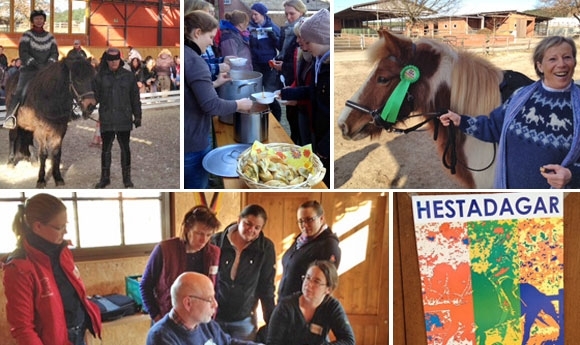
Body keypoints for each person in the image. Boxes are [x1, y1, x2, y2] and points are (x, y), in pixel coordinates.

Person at [439, 35, 580, 188]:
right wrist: (461, 121)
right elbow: (494, 127)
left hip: (558, 203)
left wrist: (571, 175)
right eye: (553, 59)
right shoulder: (520, 96)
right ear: (540, 66)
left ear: (574, 62)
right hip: (513, 199)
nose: (562, 64)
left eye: (567, 57)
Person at [1, 193, 102, 345]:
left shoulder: (62, 249)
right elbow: (23, 328)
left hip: (78, 333)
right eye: (60, 227)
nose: (65, 232)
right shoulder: (19, 267)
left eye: (66, 225)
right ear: (38, 226)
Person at [184, 10, 252, 189]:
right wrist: (239, 104)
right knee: (198, 185)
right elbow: (212, 106)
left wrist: (214, 83)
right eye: (211, 36)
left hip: (188, 137)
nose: (212, 42)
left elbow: (190, 94)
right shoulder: (195, 61)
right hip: (193, 141)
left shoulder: (186, 55)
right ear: (197, 33)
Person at [140, 205, 221, 323]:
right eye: (199, 233)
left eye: (208, 235)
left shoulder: (214, 253)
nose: (203, 240)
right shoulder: (165, 249)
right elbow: (145, 285)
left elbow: (215, 288)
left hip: (200, 322)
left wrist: (212, 316)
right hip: (167, 319)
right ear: (187, 228)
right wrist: (157, 317)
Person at [280, 9, 331, 187]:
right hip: (317, 130)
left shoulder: (329, 66)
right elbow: (313, 91)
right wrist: (288, 93)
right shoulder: (319, 60)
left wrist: (326, 144)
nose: (305, 46)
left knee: (325, 178)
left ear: (322, 39)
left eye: (308, 42)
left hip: (326, 138)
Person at [210, 204, 276, 341]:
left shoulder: (266, 248)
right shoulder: (216, 241)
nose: (251, 230)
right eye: (248, 224)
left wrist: (272, 322)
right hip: (214, 316)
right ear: (239, 220)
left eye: (257, 228)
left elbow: (267, 288)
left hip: (244, 320)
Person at [146, 272, 264, 345]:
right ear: (188, 303)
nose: (215, 304)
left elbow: (227, 343)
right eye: (209, 299)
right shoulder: (161, 337)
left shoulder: (206, 324)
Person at [267, 260, 355, 345]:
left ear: (328, 289)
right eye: (307, 278)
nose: (308, 284)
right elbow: (273, 343)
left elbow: (348, 340)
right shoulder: (285, 307)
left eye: (316, 281)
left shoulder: (332, 306)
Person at [93, 47, 142, 188]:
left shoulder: (128, 76)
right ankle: (105, 177)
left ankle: (127, 178)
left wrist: (138, 116)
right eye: (110, 60)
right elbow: (95, 96)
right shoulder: (100, 77)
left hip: (124, 118)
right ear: (107, 61)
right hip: (107, 118)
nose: (113, 62)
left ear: (119, 59)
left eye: (116, 60)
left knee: (125, 148)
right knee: (106, 149)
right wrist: (88, 107)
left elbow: (135, 98)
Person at [3, 9, 59, 130]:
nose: (39, 21)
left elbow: (55, 53)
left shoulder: (50, 37)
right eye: (36, 19)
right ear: (32, 21)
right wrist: (34, 63)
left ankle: (66, 113)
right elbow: (23, 52)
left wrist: (49, 64)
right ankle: (10, 115)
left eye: (41, 19)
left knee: (59, 87)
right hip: (29, 69)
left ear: (44, 21)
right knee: (21, 91)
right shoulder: (27, 35)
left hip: (46, 69)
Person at [278, 200, 341, 299]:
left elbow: (325, 284)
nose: (305, 225)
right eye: (301, 221)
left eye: (309, 220)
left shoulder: (328, 246)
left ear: (321, 219)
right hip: (286, 304)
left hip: (304, 308)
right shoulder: (301, 239)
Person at [275, 0, 307, 144]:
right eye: (286, 13)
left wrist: (284, 67)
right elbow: (290, 57)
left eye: (292, 13)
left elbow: (301, 64)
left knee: (298, 122)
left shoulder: (303, 32)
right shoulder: (288, 30)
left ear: (301, 12)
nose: (288, 17)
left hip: (298, 84)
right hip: (291, 81)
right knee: (292, 120)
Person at [248, 2, 282, 121]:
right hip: (256, 64)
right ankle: (259, 117)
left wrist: (273, 37)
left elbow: (280, 47)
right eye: (252, 14)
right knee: (257, 93)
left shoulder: (272, 26)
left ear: (262, 14)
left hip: (269, 65)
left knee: (269, 93)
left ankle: (276, 118)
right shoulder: (250, 27)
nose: (253, 17)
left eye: (256, 14)